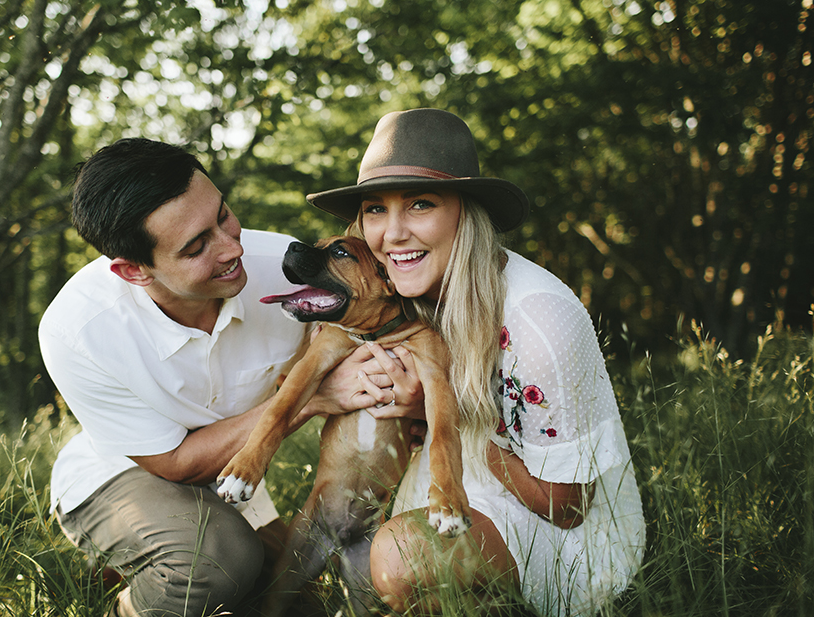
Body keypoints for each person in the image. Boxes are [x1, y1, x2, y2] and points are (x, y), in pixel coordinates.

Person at [39, 138, 401, 617]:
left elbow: (386, 324)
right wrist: (314, 398)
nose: (233, 247)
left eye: (224, 216)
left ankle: (179, 568)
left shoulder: (287, 268)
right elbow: (175, 463)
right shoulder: (78, 330)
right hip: (119, 475)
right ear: (133, 270)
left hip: (234, 485)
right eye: (196, 247)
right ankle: (129, 602)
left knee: (298, 605)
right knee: (217, 563)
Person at [305, 108, 646, 616]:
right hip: (455, 491)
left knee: (400, 558)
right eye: (375, 209)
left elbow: (566, 507)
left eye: (420, 204)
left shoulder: (537, 321)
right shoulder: (404, 300)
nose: (392, 233)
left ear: (467, 211)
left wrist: (437, 413)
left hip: (556, 533)